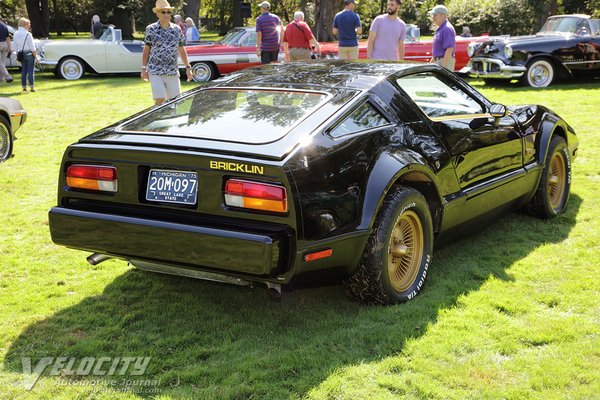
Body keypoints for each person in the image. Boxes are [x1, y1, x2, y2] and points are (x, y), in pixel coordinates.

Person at [141, 0, 193, 106]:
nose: (166, 14)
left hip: (172, 71)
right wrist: (143, 68)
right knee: (160, 98)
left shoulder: (177, 29)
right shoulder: (151, 29)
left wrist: (188, 68)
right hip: (155, 70)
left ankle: (169, 121)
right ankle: (154, 119)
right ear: (157, 13)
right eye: (163, 12)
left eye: (168, 12)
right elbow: (146, 49)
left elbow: (182, 49)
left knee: (175, 102)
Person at [13, 18, 37, 93]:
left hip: (21, 53)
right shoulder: (28, 34)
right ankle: (32, 87)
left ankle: (24, 88)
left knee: (24, 71)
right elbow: (32, 47)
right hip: (29, 53)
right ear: (25, 25)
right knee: (30, 71)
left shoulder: (16, 33)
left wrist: (17, 55)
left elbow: (15, 46)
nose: (29, 25)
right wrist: (36, 57)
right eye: (28, 24)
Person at [428, 5, 455, 71]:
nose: (433, 18)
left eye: (435, 15)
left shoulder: (447, 29)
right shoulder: (441, 28)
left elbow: (449, 49)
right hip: (439, 61)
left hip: (444, 61)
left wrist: (442, 67)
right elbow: (437, 51)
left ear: (442, 15)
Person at [0, 16, 13, 83]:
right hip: (5, 44)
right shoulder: (5, 26)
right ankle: (1, 78)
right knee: (3, 63)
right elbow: (8, 38)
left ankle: (8, 76)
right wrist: (9, 47)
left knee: (0, 63)